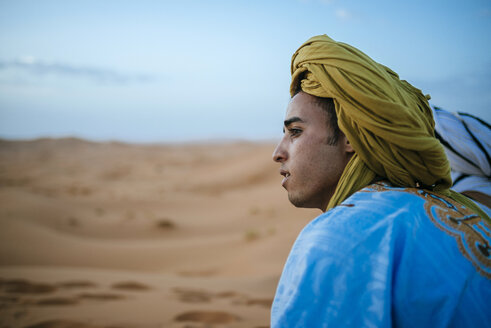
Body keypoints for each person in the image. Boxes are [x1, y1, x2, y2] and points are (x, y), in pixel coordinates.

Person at [271, 35, 491, 327]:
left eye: (295, 131)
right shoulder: (462, 207)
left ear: (350, 135)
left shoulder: (335, 240)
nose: (278, 153)